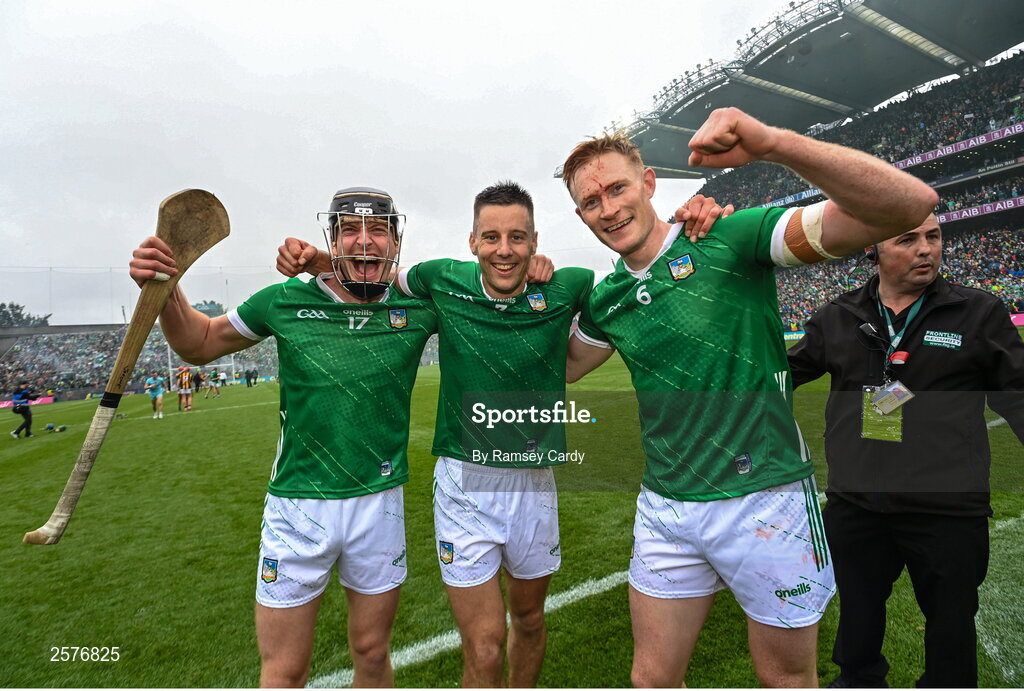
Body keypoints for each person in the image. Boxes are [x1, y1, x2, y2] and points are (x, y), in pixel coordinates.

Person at [277, 183, 729, 687]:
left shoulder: (572, 284)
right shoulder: (439, 279)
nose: (504, 249)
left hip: (533, 482)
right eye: (491, 237)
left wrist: (687, 234)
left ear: (535, 240)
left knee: (531, 621)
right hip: (463, 483)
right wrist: (318, 257)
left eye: (517, 237)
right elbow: (370, 275)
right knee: (486, 642)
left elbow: (629, 289)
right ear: (472, 242)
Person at [561, 107, 939, 687]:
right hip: (666, 509)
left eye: (617, 188)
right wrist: (521, 277)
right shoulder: (607, 298)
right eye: (591, 202)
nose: (608, 209)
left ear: (649, 182)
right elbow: (560, 367)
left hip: (766, 501)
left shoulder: (730, 237)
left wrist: (774, 142)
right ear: (581, 215)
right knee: (651, 680)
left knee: (785, 679)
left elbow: (907, 205)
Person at [130, 187, 438, 688]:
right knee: (284, 671)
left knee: (373, 653)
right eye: (351, 231)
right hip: (297, 507)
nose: (365, 241)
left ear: (396, 242)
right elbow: (198, 342)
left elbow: (488, 288)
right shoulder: (283, 300)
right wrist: (169, 285)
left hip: (379, 502)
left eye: (378, 230)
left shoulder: (419, 306)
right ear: (332, 238)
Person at [787, 214, 1024, 688]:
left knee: (952, 624)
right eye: (908, 239)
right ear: (871, 250)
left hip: (947, 509)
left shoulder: (978, 312)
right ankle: (858, 680)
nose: (926, 249)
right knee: (857, 613)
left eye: (933, 237)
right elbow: (780, 374)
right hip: (856, 504)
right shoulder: (838, 315)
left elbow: (1018, 396)